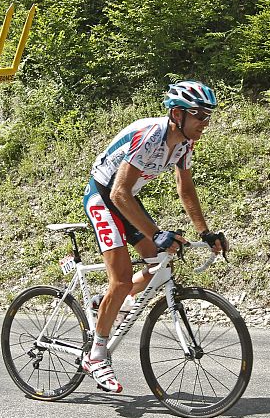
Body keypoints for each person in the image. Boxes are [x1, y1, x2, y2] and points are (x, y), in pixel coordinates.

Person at [81, 80, 229, 393]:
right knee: (120, 279)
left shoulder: (185, 143)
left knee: (162, 261)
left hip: (126, 199)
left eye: (208, 117)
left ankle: (112, 303)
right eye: (200, 115)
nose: (205, 123)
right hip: (103, 196)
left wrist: (204, 231)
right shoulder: (152, 136)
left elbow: (185, 188)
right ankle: (96, 355)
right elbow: (118, 192)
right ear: (177, 113)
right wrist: (157, 232)